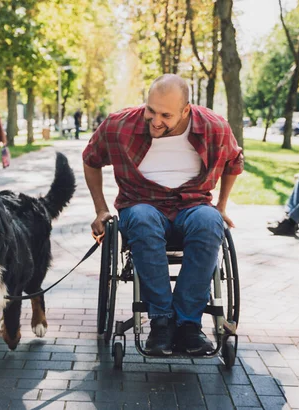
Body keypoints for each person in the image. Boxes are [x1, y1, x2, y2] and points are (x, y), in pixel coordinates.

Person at [83, 74, 243, 355]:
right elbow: (90, 160)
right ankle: (162, 322)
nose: (156, 121)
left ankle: (189, 325)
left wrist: (221, 206)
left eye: (165, 115)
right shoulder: (119, 126)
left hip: (193, 205)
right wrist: (100, 209)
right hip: (141, 203)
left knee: (210, 221)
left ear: (186, 110)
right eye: (151, 110)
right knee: (143, 219)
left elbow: (234, 161)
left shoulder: (214, 127)